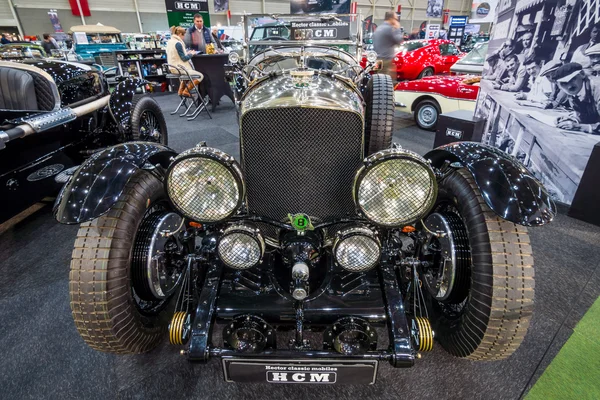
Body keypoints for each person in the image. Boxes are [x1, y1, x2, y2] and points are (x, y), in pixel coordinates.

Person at [553, 62, 600, 134]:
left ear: (582, 74)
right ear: (559, 86)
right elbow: (586, 117)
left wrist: (581, 127)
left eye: (572, 79)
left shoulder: (598, 89)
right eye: (564, 83)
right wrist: (573, 120)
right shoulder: (574, 92)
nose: (569, 86)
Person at [167, 26, 202, 97]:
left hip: (173, 67)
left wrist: (187, 53)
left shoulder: (170, 42)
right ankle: (186, 91)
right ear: (180, 34)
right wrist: (191, 54)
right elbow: (184, 58)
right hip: (179, 68)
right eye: (184, 35)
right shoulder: (178, 43)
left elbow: (176, 55)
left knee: (186, 76)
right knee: (200, 76)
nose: (184, 37)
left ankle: (180, 91)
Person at [373, 11, 403, 80]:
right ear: (391, 19)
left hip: (377, 59)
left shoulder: (378, 28)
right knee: (385, 83)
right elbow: (398, 40)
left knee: (377, 80)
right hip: (386, 61)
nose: (396, 21)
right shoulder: (389, 29)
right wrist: (398, 29)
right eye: (395, 19)